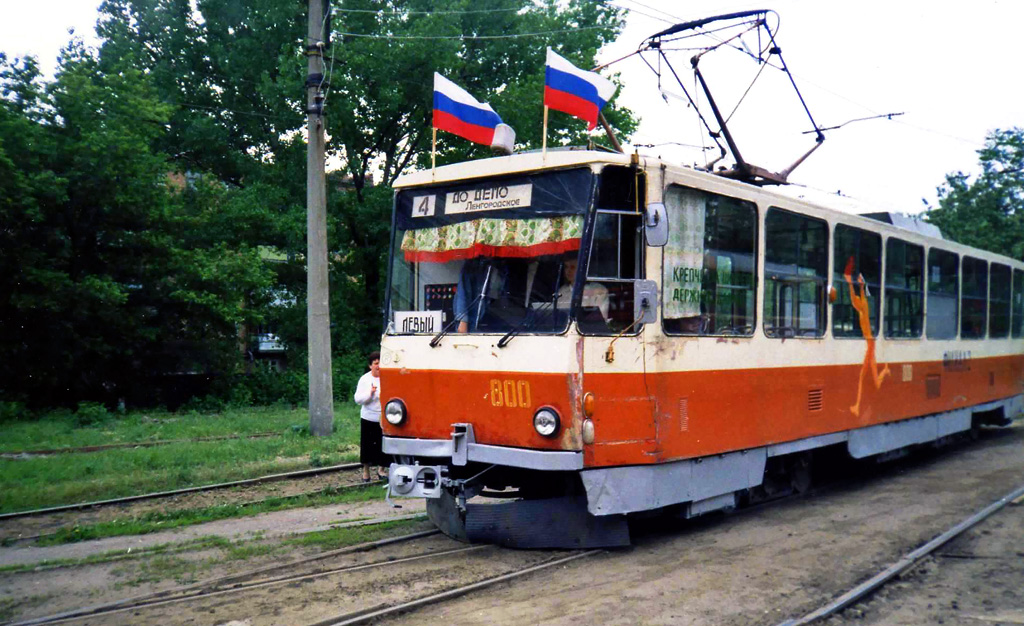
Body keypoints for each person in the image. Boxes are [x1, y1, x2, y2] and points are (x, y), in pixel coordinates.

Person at [353, 351, 387, 482]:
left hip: (383, 417)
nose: (378, 366)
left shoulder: (387, 377)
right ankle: (366, 473)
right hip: (368, 417)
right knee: (367, 446)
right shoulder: (365, 379)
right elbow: (358, 399)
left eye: (380, 363)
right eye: (376, 363)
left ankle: (381, 470)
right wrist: (370, 394)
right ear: (370, 366)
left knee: (383, 445)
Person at [556, 252, 609, 321]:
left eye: (572, 267)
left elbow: (601, 319)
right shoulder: (561, 292)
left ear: (581, 269)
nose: (568, 271)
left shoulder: (599, 290)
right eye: (566, 267)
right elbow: (557, 317)